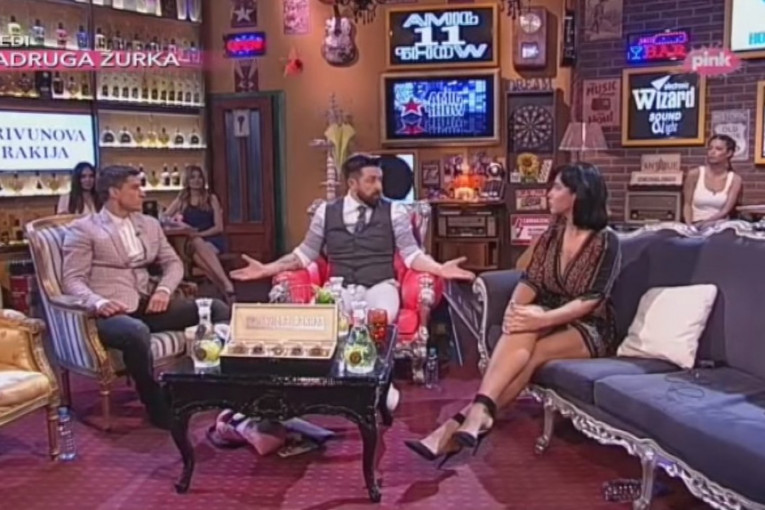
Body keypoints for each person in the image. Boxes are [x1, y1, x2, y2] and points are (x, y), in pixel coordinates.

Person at [405, 162, 621, 465]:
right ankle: (478, 415)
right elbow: (531, 280)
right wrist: (513, 311)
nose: (549, 193)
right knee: (521, 324)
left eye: (557, 187)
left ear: (577, 194)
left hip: (590, 325)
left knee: (532, 353)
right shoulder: (553, 234)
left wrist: (542, 318)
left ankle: (457, 425)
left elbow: (592, 300)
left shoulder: (605, 241)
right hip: (549, 314)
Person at [61, 165, 230, 428]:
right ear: (114, 192)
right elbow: (72, 279)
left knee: (217, 308)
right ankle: (154, 402)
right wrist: (99, 302)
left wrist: (163, 290)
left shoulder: (149, 224)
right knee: (136, 331)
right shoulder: (84, 229)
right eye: (135, 187)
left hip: (149, 303)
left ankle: (210, 383)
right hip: (112, 312)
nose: (143, 193)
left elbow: (173, 263)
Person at [230, 153, 475, 320]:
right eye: (371, 181)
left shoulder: (395, 212)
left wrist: (440, 269)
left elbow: (412, 255)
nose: (379, 187)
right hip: (340, 287)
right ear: (352, 183)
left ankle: (377, 375)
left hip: (381, 286)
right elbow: (303, 255)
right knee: (324, 319)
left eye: (380, 180)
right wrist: (266, 269)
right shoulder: (326, 212)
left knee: (380, 318)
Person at [162, 165, 235, 302]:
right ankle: (226, 286)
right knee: (196, 247)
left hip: (212, 238)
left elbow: (218, 227)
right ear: (187, 180)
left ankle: (224, 288)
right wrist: (178, 223)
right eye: (193, 177)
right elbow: (164, 218)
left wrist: (199, 235)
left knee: (198, 254)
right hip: (191, 242)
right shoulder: (182, 200)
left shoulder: (211, 198)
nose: (197, 180)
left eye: (199, 177)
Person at [683, 134, 743, 229]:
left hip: (720, 226)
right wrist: (690, 227)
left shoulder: (735, 179)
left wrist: (705, 224)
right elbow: (687, 205)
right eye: (710, 148)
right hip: (695, 224)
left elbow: (725, 211)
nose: (712, 152)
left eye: (718, 149)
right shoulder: (694, 174)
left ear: (729, 153)